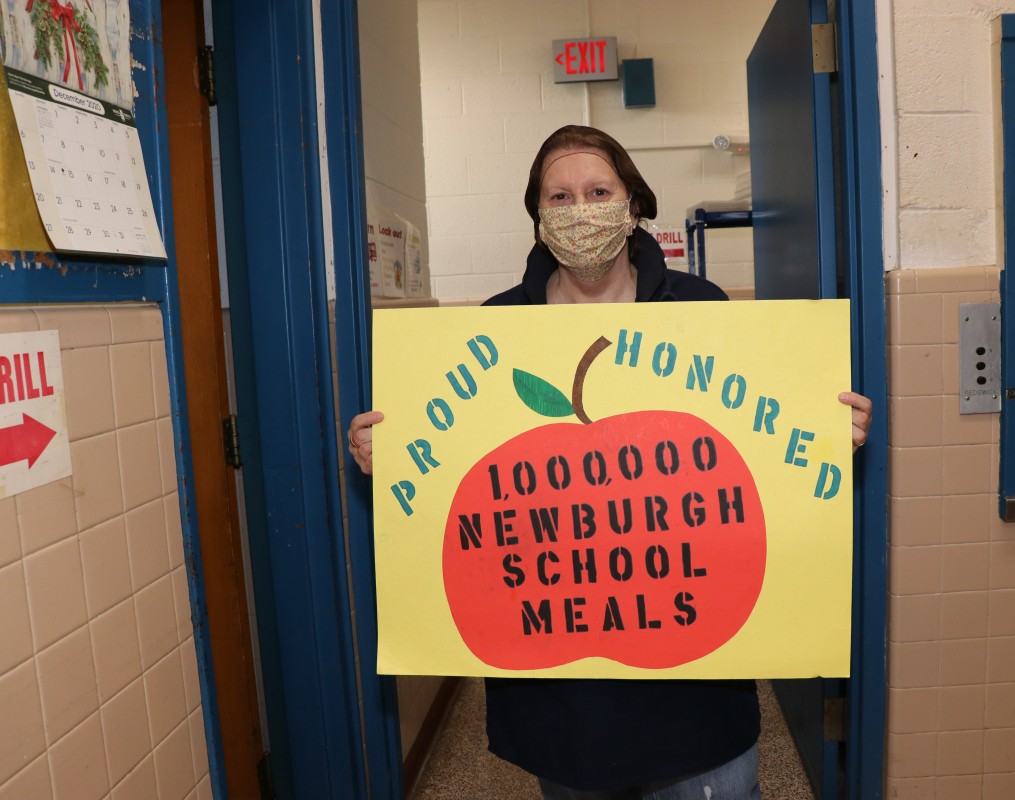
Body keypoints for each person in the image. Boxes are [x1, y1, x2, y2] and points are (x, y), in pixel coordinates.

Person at [348, 125, 872, 799]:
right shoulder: (492, 331)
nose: (579, 209)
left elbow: (763, 467)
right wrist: (385, 453)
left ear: (633, 205)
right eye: (559, 196)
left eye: (598, 191)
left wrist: (828, 433)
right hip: (565, 710)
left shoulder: (701, 310)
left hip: (698, 698)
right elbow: (454, 484)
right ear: (538, 217)